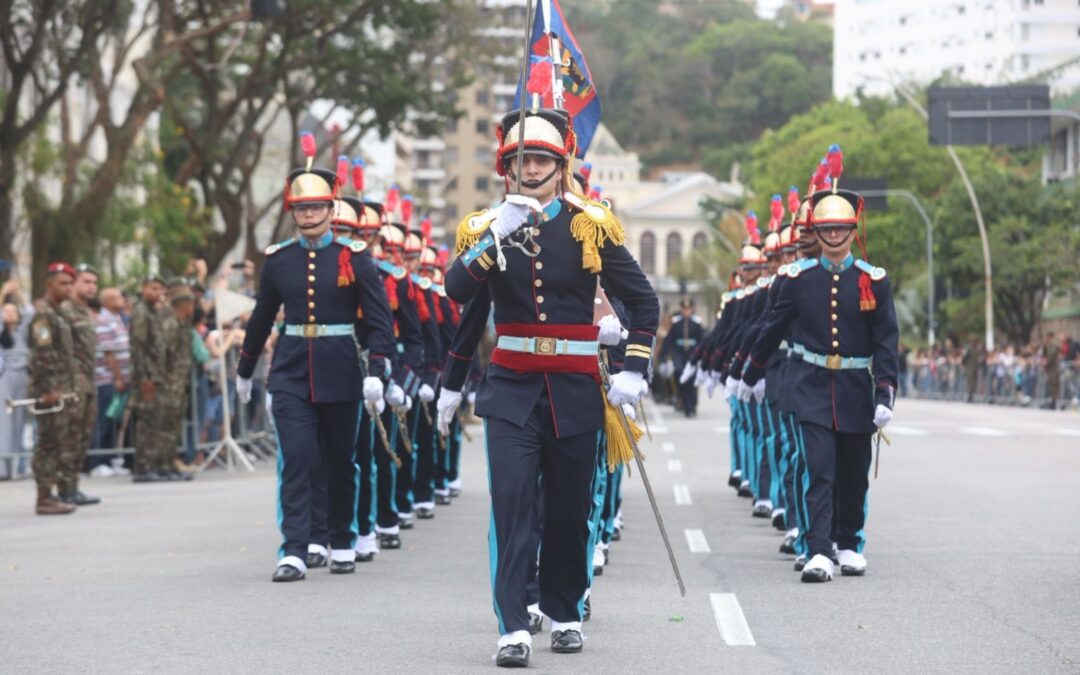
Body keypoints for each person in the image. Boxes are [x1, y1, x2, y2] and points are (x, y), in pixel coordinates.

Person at [439, 103, 658, 666]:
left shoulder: (589, 226)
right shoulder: (486, 228)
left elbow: (644, 299)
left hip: (574, 389)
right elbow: (458, 294)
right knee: (512, 507)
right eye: (520, 160)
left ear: (561, 166)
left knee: (567, 510)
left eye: (540, 159)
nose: (530, 169)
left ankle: (564, 612)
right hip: (511, 389)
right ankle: (512, 625)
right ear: (506, 168)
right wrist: (452, 383)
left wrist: (634, 365)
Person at [234, 142, 396, 582]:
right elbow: (262, 317)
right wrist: (245, 369)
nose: (308, 216)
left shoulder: (355, 259)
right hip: (290, 373)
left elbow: (381, 324)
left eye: (316, 207)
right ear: (293, 212)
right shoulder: (279, 261)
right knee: (299, 458)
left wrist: (380, 371)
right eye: (301, 209)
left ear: (330, 207)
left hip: (342, 371)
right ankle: (296, 548)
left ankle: (342, 538)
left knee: (342, 462)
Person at [741, 177, 899, 584]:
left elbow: (885, 342)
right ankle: (818, 549)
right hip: (810, 385)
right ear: (815, 232)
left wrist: (885, 392)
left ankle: (849, 542)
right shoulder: (798, 278)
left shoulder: (874, 280)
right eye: (826, 229)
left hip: (854, 389)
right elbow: (772, 328)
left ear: (852, 232)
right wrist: (752, 373)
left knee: (853, 470)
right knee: (819, 469)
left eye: (840, 229)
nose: (833, 235)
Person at [28, 263, 80, 514]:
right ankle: (44, 497)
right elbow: (42, 353)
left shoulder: (59, 313)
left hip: (60, 388)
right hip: (48, 390)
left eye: (71, 283)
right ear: (49, 284)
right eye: (63, 283)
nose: (69, 288)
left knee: (59, 442)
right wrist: (49, 389)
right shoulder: (43, 314)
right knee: (48, 443)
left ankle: (53, 493)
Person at [57, 264, 101, 505]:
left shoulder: (85, 311)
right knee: (69, 437)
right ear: (73, 283)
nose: (91, 286)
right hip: (71, 383)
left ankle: (72, 486)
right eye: (86, 281)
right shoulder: (64, 310)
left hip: (87, 382)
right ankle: (63, 487)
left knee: (82, 436)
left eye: (94, 282)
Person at [130, 275, 170, 482]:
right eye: (154, 288)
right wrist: (144, 378)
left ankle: (153, 464)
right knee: (146, 422)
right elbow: (139, 348)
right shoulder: (141, 313)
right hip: (147, 377)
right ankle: (143, 467)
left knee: (155, 421)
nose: (158, 293)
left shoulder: (155, 312)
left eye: (161, 289)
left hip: (157, 375)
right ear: (143, 288)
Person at [89, 286, 130, 473]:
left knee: (115, 421)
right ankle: (98, 462)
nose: (123, 299)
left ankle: (111, 457)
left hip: (118, 378)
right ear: (108, 301)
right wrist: (118, 377)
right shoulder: (104, 320)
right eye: (119, 297)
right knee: (104, 420)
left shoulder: (117, 318)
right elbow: (109, 353)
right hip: (106, 378)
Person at [1, 299, 31, 478]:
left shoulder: (23, 331)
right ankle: (2, 468)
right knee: (4, 422)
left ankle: (17, 467)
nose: (10, 314)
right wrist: (4, 294)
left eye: (13, 311)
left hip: (22, 375)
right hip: (4, 377)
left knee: (19, 422)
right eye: (6, 311)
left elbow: (30, 314)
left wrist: (19, 295)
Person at [660, 298, 704, 418]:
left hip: (692, 354)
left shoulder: (697, 322)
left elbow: (702, 341)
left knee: (692, 380)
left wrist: (702, 357)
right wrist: (666, 358)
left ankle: (692, 405)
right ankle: (684, 404)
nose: (686, 312)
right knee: (680, 377)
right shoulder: (675, 322)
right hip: (679, 354)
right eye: (684, 309)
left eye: (688, 309)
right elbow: (669, 340)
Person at [1043, 331, 1061, 410]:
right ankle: (1050, 402)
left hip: (1053, 369)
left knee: (1054, 385)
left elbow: (1051, 357)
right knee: (1050, 386)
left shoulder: (1053, 347)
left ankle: (1053, 403)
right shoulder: (1047, 346)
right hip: (1050, 369)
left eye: (1048, 337)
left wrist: (1046, 364)